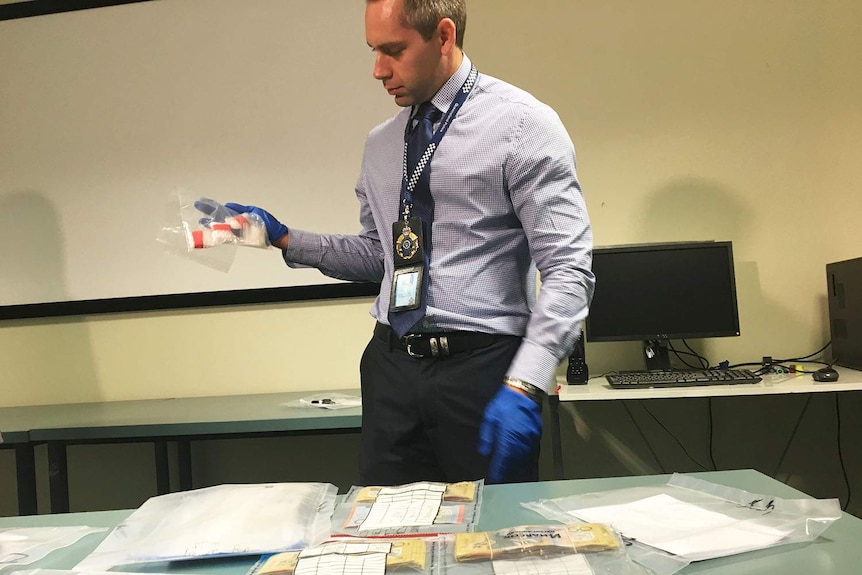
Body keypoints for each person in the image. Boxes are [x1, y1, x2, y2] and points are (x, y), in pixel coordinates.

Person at [222, 0, 594, 485]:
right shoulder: (381, 144)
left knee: (488, 544)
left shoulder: (522, 125)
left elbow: (568, 270)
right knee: (390, 540)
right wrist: (285, 238)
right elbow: (383, 258)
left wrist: (527, 382)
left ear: (443, 36)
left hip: (482, 373)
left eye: (393, 50)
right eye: (374, 51)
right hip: (392, 368)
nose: (378, 70)